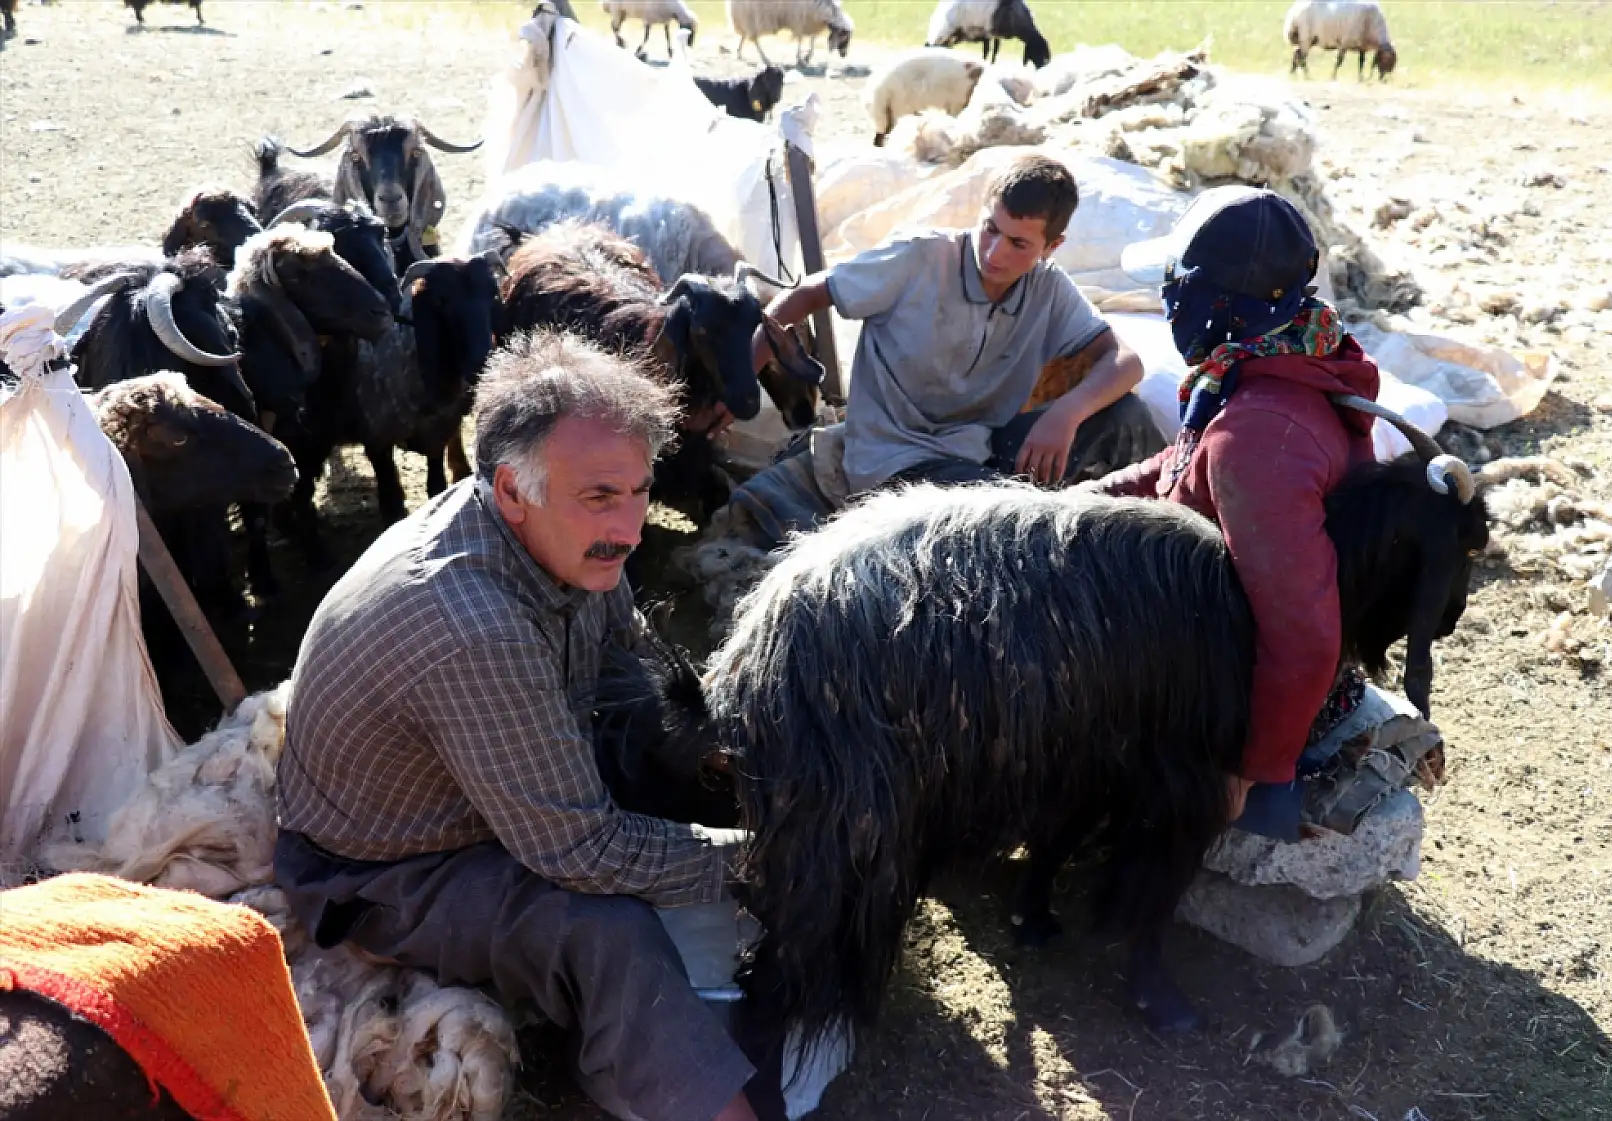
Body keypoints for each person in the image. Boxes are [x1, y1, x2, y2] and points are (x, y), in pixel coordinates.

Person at [273, 329, 760, 1121]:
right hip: (384, 869)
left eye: (639, 490)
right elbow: (579, 849)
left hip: (480, 794)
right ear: (509, 491)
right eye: (602, 495)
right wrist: (766, 857)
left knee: (670, 781)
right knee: (605, 925)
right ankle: (696, 1100)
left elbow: (624, 661)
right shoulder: (475, 625)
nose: (632, 525)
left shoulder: (568, 540)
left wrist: (720, 763)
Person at [1080, 185, 1446, 838]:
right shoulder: (1282, 357)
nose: (1168, 305)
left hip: (1226, 669)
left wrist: (1252, 771)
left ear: (1217, 304)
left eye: (1177, 289)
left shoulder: (1260, 434)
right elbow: (1180, 467)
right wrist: (1078, 508)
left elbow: (1302, 635)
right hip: (1232, 621)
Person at [750, 153, 1160, 492]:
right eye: (990, 229)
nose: (995, 253)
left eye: (1018, 244)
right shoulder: (920, 257)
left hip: (980, 447)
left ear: (1051, 247)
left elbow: (1124, 360)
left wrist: (1065, 413)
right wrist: (740, 376)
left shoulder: (1048, 288)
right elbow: (807, 294)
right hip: (899, 457)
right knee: (1012, 519)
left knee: (1124, 418)